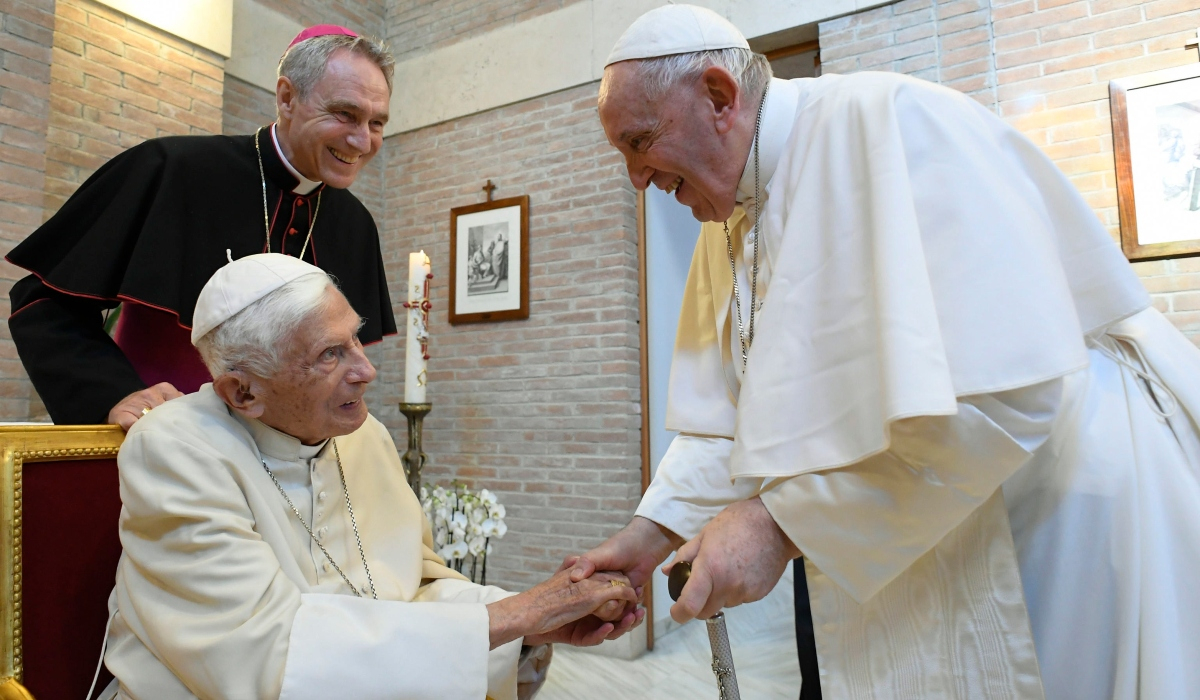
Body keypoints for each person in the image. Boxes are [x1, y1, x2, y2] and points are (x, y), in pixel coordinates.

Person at [567, 5, 1200, 700]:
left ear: (719, 97)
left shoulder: (893, 123)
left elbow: (1010, 394)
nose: (635, 178)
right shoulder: (729, 217)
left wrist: (781, 526)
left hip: (1050, 516)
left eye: (640, 142)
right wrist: (648, 533)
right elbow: (728, 417)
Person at [100, 253, 642, 700]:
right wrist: (513, 616)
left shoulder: (365, 435)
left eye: (355, 339)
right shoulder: (174, 449)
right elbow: (267, 658)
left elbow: (417, 585)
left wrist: (526, 629)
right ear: (244, 393)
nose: (366, 369)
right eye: (330, 354)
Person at [6, 25, 395, 430]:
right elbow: (42, 302)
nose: (362, 141)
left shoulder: (357, 225)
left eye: (377, 123)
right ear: (287, 98)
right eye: (345, 114)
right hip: (166, 446)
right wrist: (114, 393)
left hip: (291, 469)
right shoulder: (172, 170)